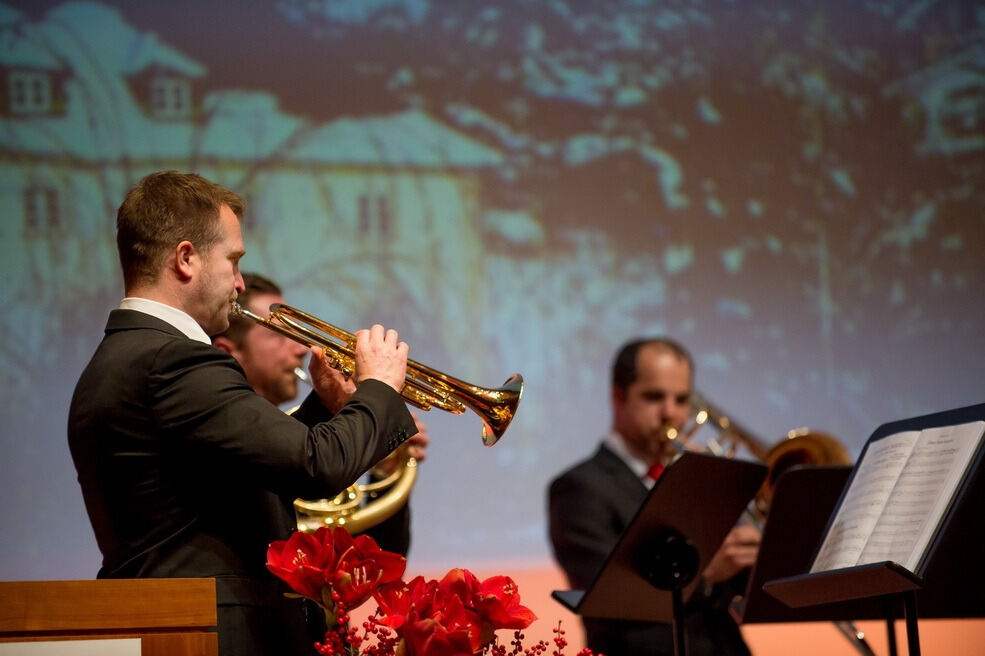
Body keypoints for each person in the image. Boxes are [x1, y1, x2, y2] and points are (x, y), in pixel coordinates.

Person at [68, 171, 419, 656]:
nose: (238, 281)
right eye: (233, 261)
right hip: (210, 633)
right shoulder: (172, 360)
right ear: (186, 258)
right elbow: (314, 467)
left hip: (180, 622)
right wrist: (379, 386)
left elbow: (232, 487)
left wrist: (328, 407)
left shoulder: (128, 356)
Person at [548, 337, 760, 656]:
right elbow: (609, 601)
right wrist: (707, 573)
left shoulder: (697, 480)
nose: (670, 413)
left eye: (681, 400)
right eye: (654, 397)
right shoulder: (579, 487)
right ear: (618, 398)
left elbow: (743, 591)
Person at [212, 272, 429, 555]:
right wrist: (377, 397)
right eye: (279, 334)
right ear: (228, 352)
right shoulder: (238, 440)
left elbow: (377, 561)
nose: (301, 348)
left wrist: (382, 470)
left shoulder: (310, 437)